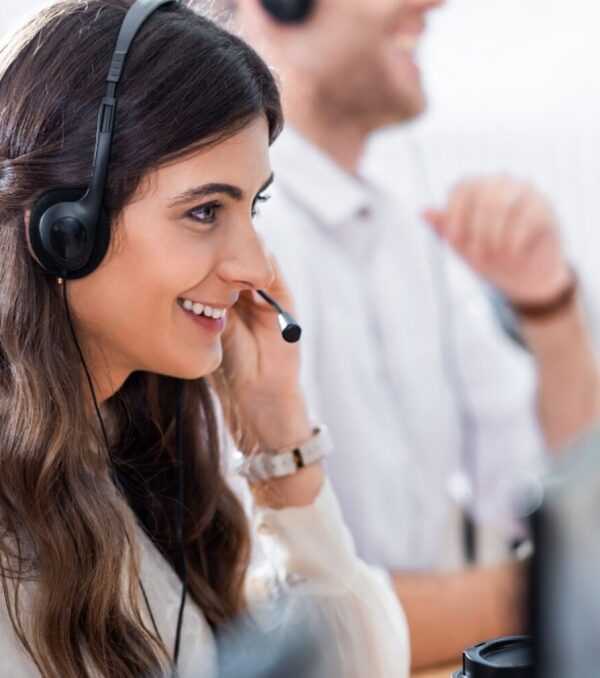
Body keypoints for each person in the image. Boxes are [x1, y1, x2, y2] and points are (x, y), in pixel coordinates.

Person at [0, 1, 409, 676]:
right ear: (67, 229)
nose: (254, 267)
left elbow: (357, 662)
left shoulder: (125, 443)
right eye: (204, 211)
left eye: (254, 207)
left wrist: (279, 428)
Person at [225, 0, 600, 668]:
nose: (433, 3)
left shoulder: (404, 229)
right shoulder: (234, 254)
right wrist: (545, 590)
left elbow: (560, 484)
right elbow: (268, 622)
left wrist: (550, 304)